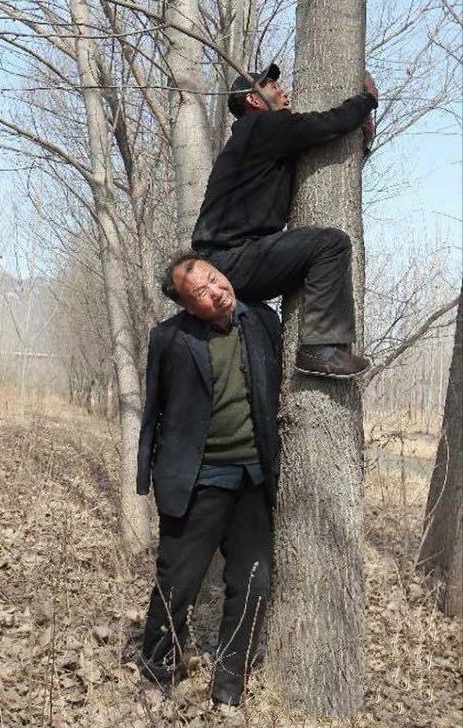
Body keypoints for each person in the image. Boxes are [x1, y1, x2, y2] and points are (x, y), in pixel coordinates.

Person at [136, 252, 282, 707]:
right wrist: (146, 477)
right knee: (177, 584)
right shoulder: (169, 339)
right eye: (201, 291)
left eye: (216, 280)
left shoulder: (261, 321)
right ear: (185, 304)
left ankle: (228, 688)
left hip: (252, 478)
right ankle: (157, 672)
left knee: (252, 583)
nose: (216, 293)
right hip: (197, 481)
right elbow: (153, 411)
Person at [191, 63, 378, 379]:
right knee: (330, 244)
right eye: (273, 86)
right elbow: (326, 123)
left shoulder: (260, 143)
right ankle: (318, 350)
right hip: (230, 260)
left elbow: (322, 164)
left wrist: (364, 145)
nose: (283, 91)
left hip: (228, 263)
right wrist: (367, 100)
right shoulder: (262, 127)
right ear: (254, 100)